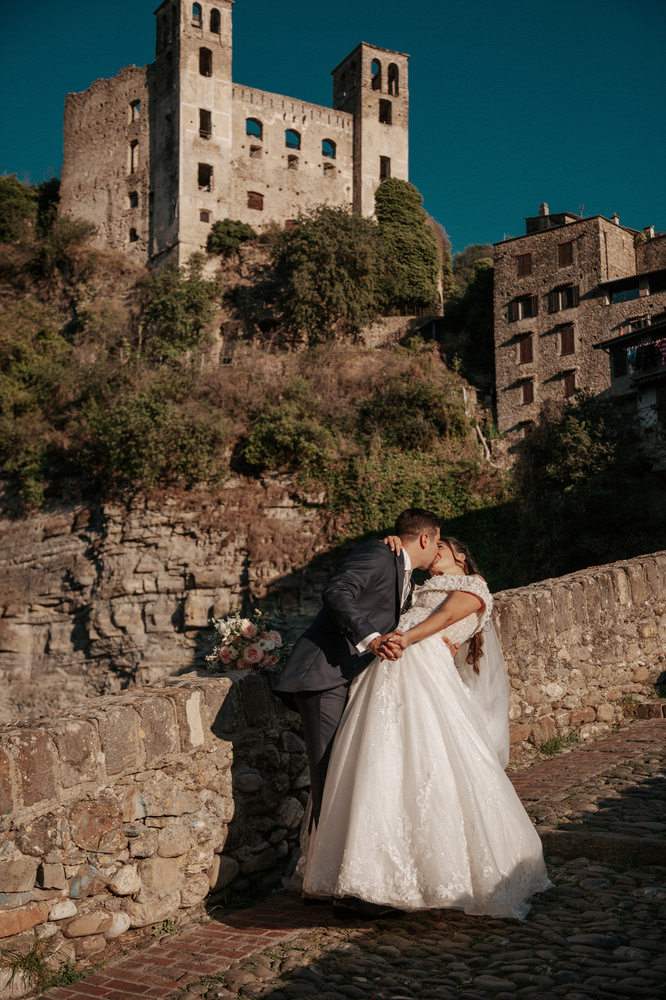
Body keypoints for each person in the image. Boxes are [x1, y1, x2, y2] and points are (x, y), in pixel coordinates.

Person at [302, 536, 552, 920]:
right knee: (376, 764)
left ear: (461, 555)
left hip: (420, 667)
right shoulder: (417, 587)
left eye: (443, 546)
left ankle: (418, 879)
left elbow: (446, 618)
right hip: (386, 668)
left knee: (427, 762)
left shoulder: (473, 586)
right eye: (433, 544)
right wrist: (395, 543)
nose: (435, 550)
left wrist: (404, 638)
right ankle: (362, 880)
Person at [273, 508, 441, 829]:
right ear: (424, 539)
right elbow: (337, 592)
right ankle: (322, 856)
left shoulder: (403, 570)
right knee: (328, 775)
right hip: (324, 676)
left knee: (348, 772)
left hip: (352, 677)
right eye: (437, 541)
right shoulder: (379, 553)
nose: (437, 549)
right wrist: (372, 638)